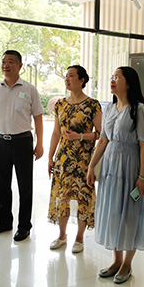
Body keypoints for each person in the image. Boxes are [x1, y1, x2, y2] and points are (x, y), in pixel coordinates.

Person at [87, 66, 144, 284]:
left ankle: (127, 263)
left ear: (129, 83)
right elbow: (103, 139)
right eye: (112, 76)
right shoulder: (109, 108)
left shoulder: (139, 110)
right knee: (113, 212)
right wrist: (91, 166)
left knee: (130, 214)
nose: (113, 80)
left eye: (118, 77)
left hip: (130, 166)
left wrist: (142, 177)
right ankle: (116, 260)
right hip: (110, 167)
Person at [0, 50, 44, 242]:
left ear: (20, 66)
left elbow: (38, 117)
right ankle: (5, 222)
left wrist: (40, 143)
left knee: (25, 186)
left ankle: (24, 226)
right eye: (3, 62)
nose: (6, 65)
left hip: (22, 142)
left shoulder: (30, 89)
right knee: (2, 184)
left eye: (11, 62)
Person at [47, 66, 102, 254]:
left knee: (83, 197)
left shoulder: (92, 105)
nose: (67, 79)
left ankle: (79, 238)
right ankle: (62, 235)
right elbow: (56, 132)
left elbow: (101, 134)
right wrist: (50, 156)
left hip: (84, 160)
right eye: (66, 76)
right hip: (63, 158)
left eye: (71, 76)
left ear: (82, 80)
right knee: (62, 196)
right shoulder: (60, 104)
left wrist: (80, 136)